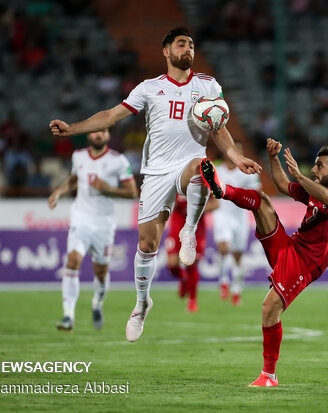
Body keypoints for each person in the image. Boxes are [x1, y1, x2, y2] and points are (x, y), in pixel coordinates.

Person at [49, 27, 261, 342]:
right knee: (147, 245)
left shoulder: (207, 85)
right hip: (155, 174)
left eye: (191, 44)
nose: (188, 48)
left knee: (202, 166)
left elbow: (219, 128)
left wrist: (233, 154)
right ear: (166, 51)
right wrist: (72, 129)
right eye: (181, 44)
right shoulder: (149, 88)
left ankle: (189, 228)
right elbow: (110, 116)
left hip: (187, 166)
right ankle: (142, 303)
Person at [200, 138, 328, 387]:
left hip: (306, 262)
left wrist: (300, 175)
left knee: (269, 307)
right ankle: (222, 190)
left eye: (320, 166)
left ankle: (269, 375)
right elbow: (284, 185)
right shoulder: (315, 190)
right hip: (291, 246)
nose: (314, 170)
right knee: (262, 201)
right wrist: (273, 158)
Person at [48, 129, 138, 332]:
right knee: (72, 261)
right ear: (88, 135)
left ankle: (97, 303)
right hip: (80, 218)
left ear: (108, 135)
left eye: (103, 131)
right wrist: (59, 191)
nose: (99, 135)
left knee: (101, 271)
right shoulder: (78, 156)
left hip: (104, 223)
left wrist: (108, 188)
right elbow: (74, 179)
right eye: (95, 131)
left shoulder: (118, 161)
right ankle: (68, 316)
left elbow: (132, 192)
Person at [212, 145, 262, 305]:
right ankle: (224, 281)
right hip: (222, 214)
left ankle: (236, 290)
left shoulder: (247, 173)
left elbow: (257, 193)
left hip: (240, 217)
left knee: (238, 256)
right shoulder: (217, 169)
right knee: (224, 248)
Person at [165, 193, 218, 312]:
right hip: (177, 225)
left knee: (191, 263)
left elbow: (215, 204)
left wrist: (197, 209)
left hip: (196, 227)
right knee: (172, 264)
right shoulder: (175, 179)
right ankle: (183, 279)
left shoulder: (204, 181)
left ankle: (192, 300)